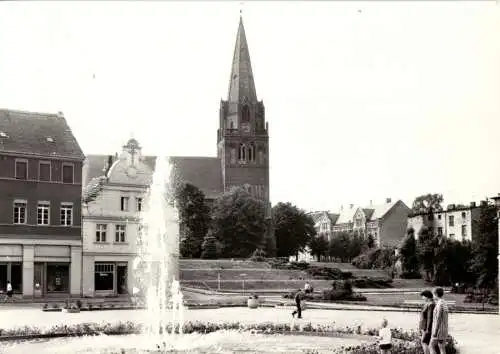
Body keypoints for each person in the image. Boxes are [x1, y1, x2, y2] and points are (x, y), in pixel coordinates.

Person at [430, 287, 449, 354]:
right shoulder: (444, 302)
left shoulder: (439, 304)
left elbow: (438, 318)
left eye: (433, 294)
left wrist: (435, 331)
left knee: (431, 346)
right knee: (441, 347)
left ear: (436, 294)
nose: (432, 296)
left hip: (439, 330)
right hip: (444, 328)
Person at [419, 290, 435, 354]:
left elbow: (430, 318)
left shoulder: (431, 304)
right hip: (424, 327)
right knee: (424, 342)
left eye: (423, 296)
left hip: (427, 328)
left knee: (424, 342)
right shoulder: (428, 304)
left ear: (427, 296)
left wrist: (428, 329)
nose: (422, 298)